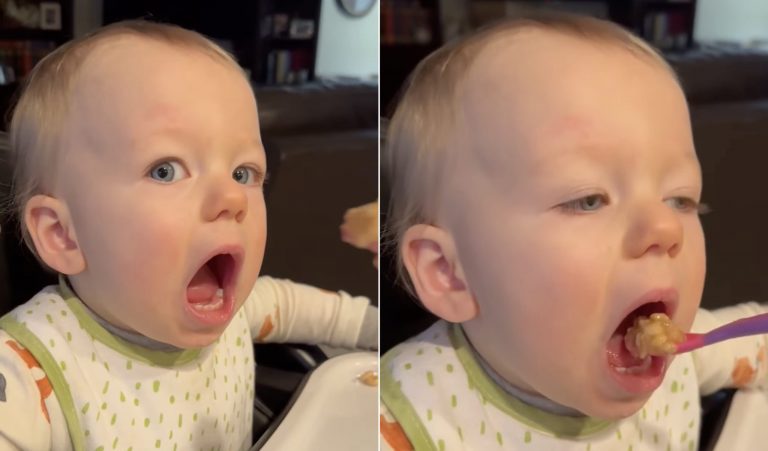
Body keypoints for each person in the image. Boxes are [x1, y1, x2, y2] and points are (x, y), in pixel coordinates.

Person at [380, 12, 767, 451]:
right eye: (588, 200)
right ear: (449, 272)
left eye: (680, 199)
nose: (664, 228)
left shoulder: (690, 356)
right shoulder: (406, 420)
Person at [0, 20, 376, 450]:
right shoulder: (29, 372)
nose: (232, 197)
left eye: (243, 172)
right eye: (166, 170)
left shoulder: (237, 308)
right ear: (63, 234)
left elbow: (312, 311)